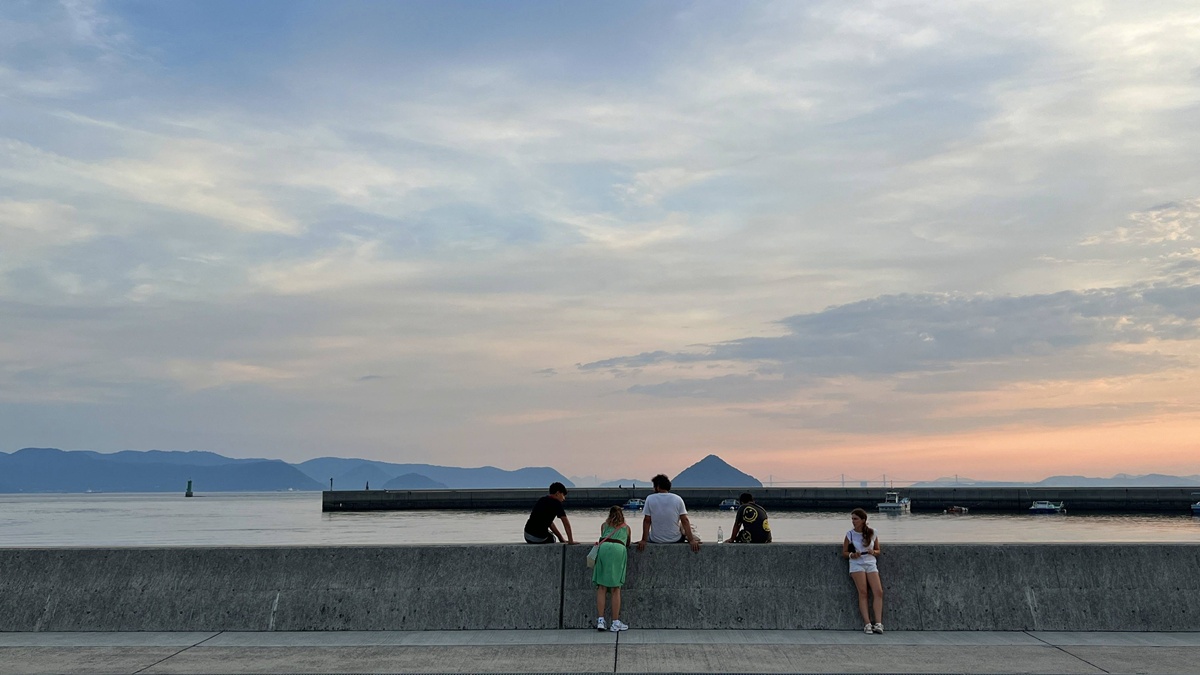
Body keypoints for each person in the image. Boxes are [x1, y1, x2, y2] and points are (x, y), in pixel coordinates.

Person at [636, 474, 700, 553]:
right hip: (675, 539)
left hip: (656, 539)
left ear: (658, 487)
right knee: (681, 525)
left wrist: (643, 540)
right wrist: (691, 540)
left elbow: (647, 521)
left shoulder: (650, 498)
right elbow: (685, 520)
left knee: (651, 534)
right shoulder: (678, 499)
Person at [844, 507, 883, 634]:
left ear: (863, 520)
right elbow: (844, 552)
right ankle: (867, 623)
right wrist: (852, 555)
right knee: (863, 592)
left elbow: (878, 550)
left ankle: (878, 623)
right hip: (857, 564)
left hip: (870, 562)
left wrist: (873, 552)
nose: (853, 521)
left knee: (878, 591)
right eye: (852, 519)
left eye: (855, 519)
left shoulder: (873, 532)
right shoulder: (850, 534)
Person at [593, 505, 631, 632]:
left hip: (604, 549)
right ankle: (615, 622)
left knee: (601, 587)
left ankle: (600, 620)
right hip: (618, 550)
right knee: (616, 588)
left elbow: (604, 537)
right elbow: (627, 543)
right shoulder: (626, 528)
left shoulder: (604, 526)